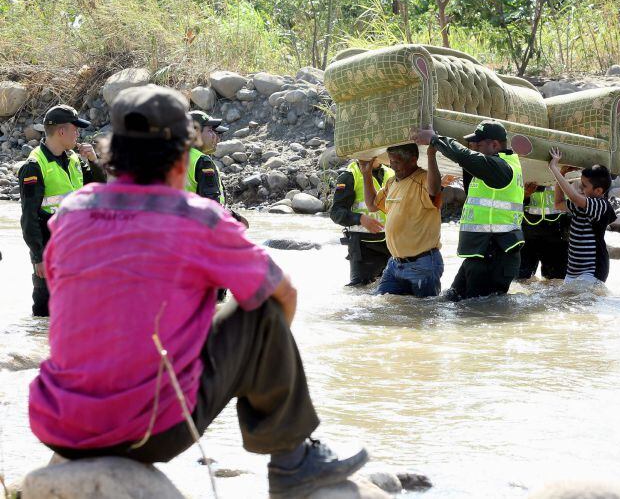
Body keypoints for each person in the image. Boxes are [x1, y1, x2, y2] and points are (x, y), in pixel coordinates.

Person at [27, 85, 367, 496]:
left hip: (57, 424)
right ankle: (292, 461)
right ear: (182, 155)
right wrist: (241, 356)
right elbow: (285, 294)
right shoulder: (196, 218)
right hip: (152, 430)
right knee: (264, 309)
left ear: (111, 150)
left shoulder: (71, 213)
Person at [414, 121, 525, 300]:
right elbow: (468, 163)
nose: (474, 147)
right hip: (481, 251)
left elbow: (466, 157)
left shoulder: (501, 168)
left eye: (478, 144)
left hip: (494, 254)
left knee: (476, 314)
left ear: (495, 145)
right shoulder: (491, 170)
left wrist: (434, 139)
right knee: (450, 300)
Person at [18, 104, 106, 317]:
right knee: (45, 311)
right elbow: (28, 217)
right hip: (49, 249)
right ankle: (37, 348)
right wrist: (38, 256)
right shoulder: (34, 166)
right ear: (61, 131)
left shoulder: (74, 159)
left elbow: (100, 188)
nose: (79, 133)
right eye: (75, 128)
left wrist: (94, 162)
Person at [360, 143, 443, 297]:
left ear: (413, 160)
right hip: (395, 264)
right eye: (391, 162)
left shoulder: (423, 179)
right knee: (381, 307)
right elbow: (372, 205)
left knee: (426, 313)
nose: (393, 166)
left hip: (423, 264)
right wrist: (366, 174)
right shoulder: (392, 182)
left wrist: (431, 156)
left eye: (397, 162)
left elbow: (435, 189)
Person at [548, 147, 616, 283]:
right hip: (573, 271)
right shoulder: (580, 206)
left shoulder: (600, 205)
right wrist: (562, 173)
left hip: (592, 271)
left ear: (598, 191)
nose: (580, 188)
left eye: (584, 186)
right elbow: (558, 203)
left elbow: (573, 196)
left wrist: (554, 167)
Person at [329, 158, 394, 286]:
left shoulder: (391, 173)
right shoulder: (349, 176)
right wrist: (360, 219)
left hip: (391, 245)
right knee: (359, 289)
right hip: (363, 247)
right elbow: (336, 213)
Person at [518, 183, 569, 280]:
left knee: (558, 278)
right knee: (522, 277)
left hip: (558, 227)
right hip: (528, 225)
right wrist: (525, 194)